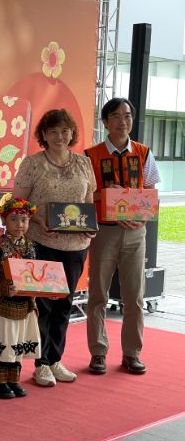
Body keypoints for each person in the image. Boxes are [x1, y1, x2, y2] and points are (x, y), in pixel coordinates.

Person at [13, 109, 96, 387]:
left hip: (76, 246)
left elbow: (88, 202)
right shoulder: (33, 164)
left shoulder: (84, 163)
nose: (60, 136)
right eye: (53, 131)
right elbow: (16, 202)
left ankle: (55, 360)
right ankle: (41, 364)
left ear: (72, 133)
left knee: (65, 305)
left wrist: (90, 225)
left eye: (64, 131)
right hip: (43, 242)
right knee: (44, 306)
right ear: (44, 135)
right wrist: (38, 219)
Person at [85, 98, 161, 375]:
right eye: (116, 116)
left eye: (127, 116)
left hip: (136, 232)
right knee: (98, 294)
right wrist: (106, 195)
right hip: (103, 231)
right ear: (105, 122)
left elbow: (152, 192)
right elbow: (83, 194)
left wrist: (143, 217)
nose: (123, 121)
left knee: (135, 296)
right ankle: (98, 352)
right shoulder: (90, 155)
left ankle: (132, 353)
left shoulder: (144, 153)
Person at [0, 196, 40, 399]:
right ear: (4, 221)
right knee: (4, 340)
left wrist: (44, 290)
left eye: (24, 220)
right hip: (3, 305)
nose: (19, 224)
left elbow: (36, 273)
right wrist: (3, 287)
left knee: (18, 342)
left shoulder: (31, 245)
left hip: (24, 305)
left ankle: (13, 380)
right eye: (14, 219)